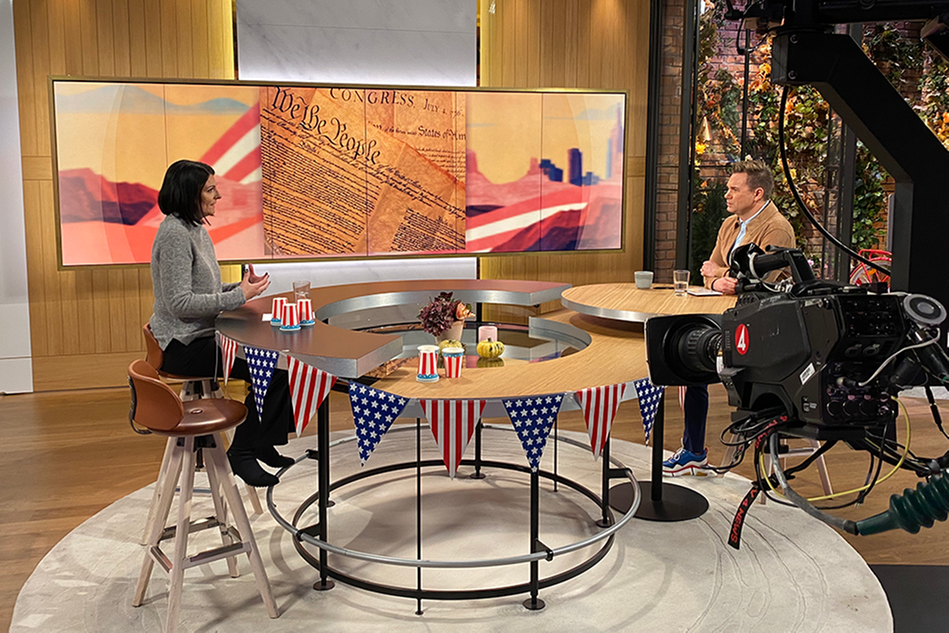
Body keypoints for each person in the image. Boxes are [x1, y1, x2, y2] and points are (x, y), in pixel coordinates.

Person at [150, 159, 294, 487]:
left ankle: (260, 442)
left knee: (278, 366)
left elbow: (204, 290)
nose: (218, 196)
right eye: (211, 190)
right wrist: (237, 297)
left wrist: (241, 288)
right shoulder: (175, 234)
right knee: (273, 371)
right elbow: (180, 304)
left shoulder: (195, 228)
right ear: (190, 194)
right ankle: (243, 451)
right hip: (182, 344)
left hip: (201, 334)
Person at [662, 158, 795, 476]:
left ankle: (697, 450)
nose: (727, 194)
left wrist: (722, 278)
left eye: (734, 189)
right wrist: (718, 279)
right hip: (727, 316)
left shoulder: (776, 228)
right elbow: (709, 272)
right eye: (728, 188)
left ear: (758, 193)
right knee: (686, 356)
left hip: (762, 325)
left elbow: (756, 283)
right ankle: (694, 451)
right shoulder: (729, 225)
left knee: (697, 362)